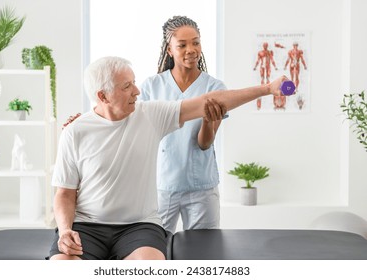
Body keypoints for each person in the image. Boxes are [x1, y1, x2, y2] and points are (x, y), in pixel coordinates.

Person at [49, 56, 286, 260]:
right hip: (87, 226)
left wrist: (267, 89)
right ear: (103, 96)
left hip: (138, 226)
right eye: (127, 86)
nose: (137, 91)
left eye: (134, 82)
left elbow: (210, 101)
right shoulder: (75, 131)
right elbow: (65, 194)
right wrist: (65, 230)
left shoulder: (150, 115)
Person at [139, 16, 227, 233]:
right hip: (163, 185)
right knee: (156, 247)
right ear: (169, 50)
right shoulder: (151, 86)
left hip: (202, 189)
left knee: (203, 252)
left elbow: (205, 143)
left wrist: (208, 119)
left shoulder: (215, 87)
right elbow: (137, 131)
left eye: (196, 42)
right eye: (182, 45)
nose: (191, 49)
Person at [253, 42, 278, 110]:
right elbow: (258, 60)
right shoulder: (260, 52)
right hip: (262, 66)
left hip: (267, 66)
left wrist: (275, 66)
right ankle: (262, 90)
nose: (265, 46)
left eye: (266, 45)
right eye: (264, 45)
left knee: (267, 78)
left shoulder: (269, 52)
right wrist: (255, 66)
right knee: (262, 78)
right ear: (263, 46)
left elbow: (272, 60)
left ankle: (267, 90)